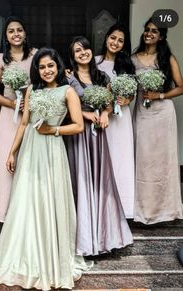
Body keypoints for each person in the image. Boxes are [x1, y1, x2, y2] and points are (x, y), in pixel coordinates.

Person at [0, 47, 92, 290]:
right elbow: (23, 123)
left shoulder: (68, 91)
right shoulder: (32, 90)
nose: (46, 70)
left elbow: (78, 126)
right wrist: (12, 151)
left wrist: (53, 129)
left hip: (52, 150)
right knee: (27, 199)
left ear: (58, 66)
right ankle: (27, 255)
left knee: (49, 199)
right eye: (41, 67)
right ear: (37, 70)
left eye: (50, 66)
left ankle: (52, 257)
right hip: (31, 150)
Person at [65, 36, 133, 256]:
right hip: (79, 133)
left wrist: (104, 112)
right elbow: (63, 106)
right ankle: (83, 240)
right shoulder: (68, 78)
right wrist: (84, 114)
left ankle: (104, 236)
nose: (83, 52)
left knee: (101, 180)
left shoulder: (102, 76)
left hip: (98, 136)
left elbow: (112, 103)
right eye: (77, 50)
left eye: (85, 48)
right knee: (82, 180)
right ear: (73, 56)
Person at [132, 17, 183, 224]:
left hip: (163, 114)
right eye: (147, 30)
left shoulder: (167, 58)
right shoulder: (133, 58)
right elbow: (126, 84)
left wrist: (159, 95)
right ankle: (143, 208)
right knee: (143, 160)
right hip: (142, 114)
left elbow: (181, 87)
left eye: (154, 31)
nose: (149, 33)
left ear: (161, 36)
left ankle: (166, 209)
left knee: (163, 161)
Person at [0, 16, 37, 222]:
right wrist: (12, 104)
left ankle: (27, 211)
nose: (16, 33)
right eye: (11, 31)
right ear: (6, 36)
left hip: (32, 112)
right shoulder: (0, 59)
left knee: (29, 159)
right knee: (8, 160)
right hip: (9, 114)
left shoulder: (35, 55)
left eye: (19, 29)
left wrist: (29, 102)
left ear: (25, 33)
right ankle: (5, 211)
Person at [95, 23, 135, 218]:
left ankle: (124, 209)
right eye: (113, 38)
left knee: (122, 160)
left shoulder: (127, 65)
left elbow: (132, 94)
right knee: (104, 160)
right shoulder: (94, 62)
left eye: (120, 40)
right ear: (106, 37)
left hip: (122, 119)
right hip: (102, 118)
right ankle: (104, 208)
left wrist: (127, 100)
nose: (115, 43)